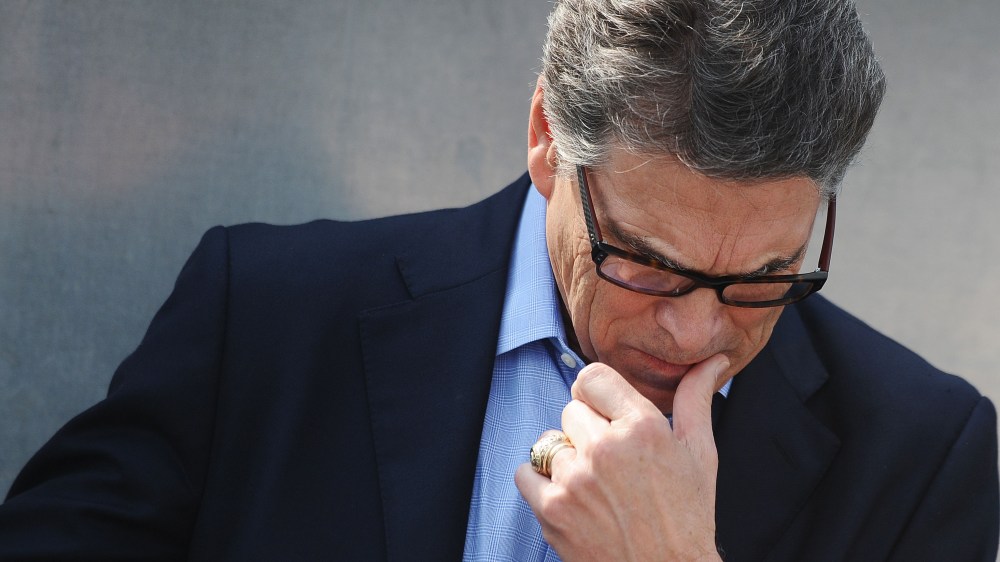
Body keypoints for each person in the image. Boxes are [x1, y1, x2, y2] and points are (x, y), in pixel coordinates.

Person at [1, 0, 997, 560]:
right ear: (547, 140)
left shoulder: (923, 452)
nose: (696, 333)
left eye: (763, 276)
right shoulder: (265, 315)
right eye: (647, 262)